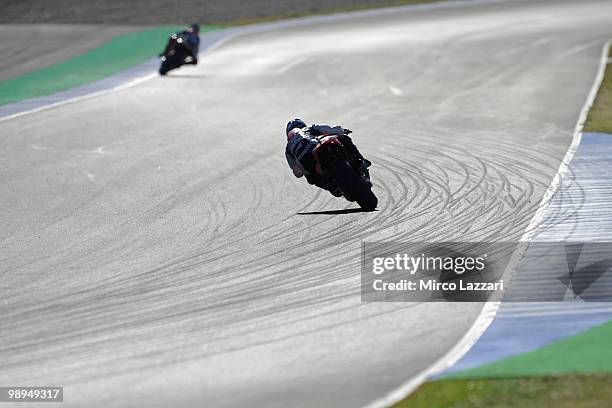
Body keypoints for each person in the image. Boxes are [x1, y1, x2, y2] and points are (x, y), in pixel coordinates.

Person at [285, 118, 371, 197]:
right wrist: (342, 131)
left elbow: (298, 173)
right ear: (302, 126)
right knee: (343, 137)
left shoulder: (288, 150)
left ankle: (329, 185)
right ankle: (359, 161)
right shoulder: (308, 128)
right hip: (316, 147)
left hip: (309, 163)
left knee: (310, 178)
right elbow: (330, 129)